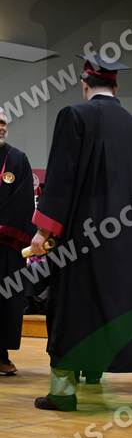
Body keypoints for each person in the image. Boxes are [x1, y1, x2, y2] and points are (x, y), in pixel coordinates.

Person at [28, 54, 132, 412]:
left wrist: (43, 231)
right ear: (117, 86)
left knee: (73, 310)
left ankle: (62, 393)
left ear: (84, 84)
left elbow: (61, 179)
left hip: (84, 240)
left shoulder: (74, 115)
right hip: (131, 241)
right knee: (130, 310)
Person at [0, 109, 35, 375]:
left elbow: (23, 203)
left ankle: (0, 354)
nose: (1, 127)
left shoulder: (17, 159)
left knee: (5, 300)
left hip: (6, 246)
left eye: (3, 122)